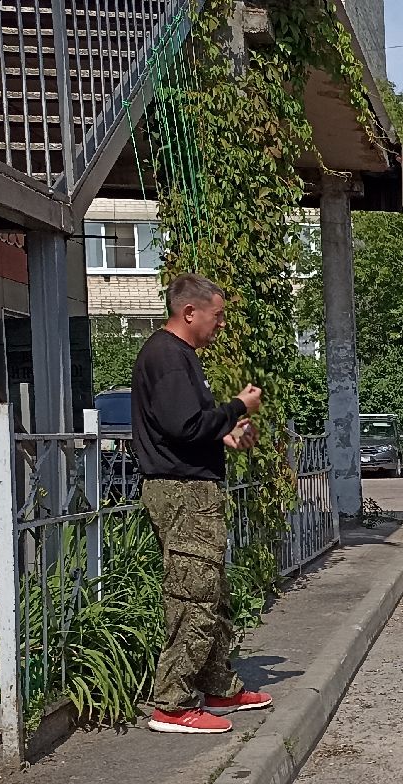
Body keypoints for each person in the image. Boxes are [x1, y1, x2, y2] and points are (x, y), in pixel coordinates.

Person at [132, 274, 271, 735]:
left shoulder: (179, 356)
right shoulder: (168, 358)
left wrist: (225, 434)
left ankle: (218, 685)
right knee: (193, 595)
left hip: (190, 485)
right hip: (182, 492)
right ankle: (171, 704)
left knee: (211, 591)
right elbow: (183, 426)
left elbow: (187, 426)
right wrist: (236, 407)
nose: (221, 325)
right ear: (189, 313)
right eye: (218, 315)